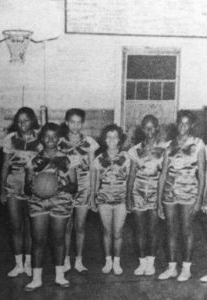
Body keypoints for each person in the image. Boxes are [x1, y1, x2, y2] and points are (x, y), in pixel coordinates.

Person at [24, 123, 77, 291]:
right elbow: (26, 187)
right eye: (46, 136)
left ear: (59, 138)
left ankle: (60, 276)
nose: (50, 140)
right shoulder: (33, 160)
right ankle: (36, 278)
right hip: (38, 203)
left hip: (60, 201)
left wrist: (58, 187)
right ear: (41, 138)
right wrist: (34, 187)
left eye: (54, 137)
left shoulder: (68, 159)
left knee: (59, 240)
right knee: (38, 240)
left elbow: (74, 186)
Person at [158, 110, 205, 282]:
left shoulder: (198, 143)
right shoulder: (168, 145)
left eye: (187, 123)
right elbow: (163, 173)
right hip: (169, 193)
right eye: (180, 123)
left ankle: (186, 268)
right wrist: (158, 201)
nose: (183, 126)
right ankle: (171, 268)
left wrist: (200, 198)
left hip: (189, 193)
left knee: (186, 230)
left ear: (191, 125)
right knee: (171, 231)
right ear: (176, 124)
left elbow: (202, 173)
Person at [0, 107, 42, 277]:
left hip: (33, 187)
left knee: (31, 227)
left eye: (26, 120)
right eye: (19, 120)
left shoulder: (40, 139)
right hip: (13, 186)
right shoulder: (10, 139)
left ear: (32, 120)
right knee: (16, 226)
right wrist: (2, 189)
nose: (22, 123)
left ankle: (29, 262)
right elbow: (4, 166)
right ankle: (18, 264)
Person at [58, 108, 99, 273]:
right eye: (72, 122)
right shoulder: (59, 142)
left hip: (84, 187)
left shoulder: (89, 142)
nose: (75, 125)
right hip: (66, 187)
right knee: (66, 226)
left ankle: (79, 260)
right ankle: (66, 259)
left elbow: (93, 169)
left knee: (80, 226)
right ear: (67, 122)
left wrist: (93, 192)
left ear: (82, 123)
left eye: (78, 122)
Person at [127, 115, 168, 276]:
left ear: (157, 128)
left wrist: (159, 201)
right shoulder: (135, 150)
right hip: (138, 192)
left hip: (155, 192)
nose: (149, 130)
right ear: (142, 129)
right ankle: (141, 262)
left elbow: (164, 174)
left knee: (153, 230)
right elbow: (131, 175)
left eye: (152, 127)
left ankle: (151, 262)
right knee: (139, 230)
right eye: (146, 127)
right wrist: (128, 197)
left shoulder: (165, 149)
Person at [93, 124, 130, 275]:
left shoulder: (126, 157)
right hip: (104, 200)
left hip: (121, 200)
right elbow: (95, 181)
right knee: (107, 231)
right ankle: (108, 261)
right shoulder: (99, 158)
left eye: (115, 136)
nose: (112, 140)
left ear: (120, 139)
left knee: (118, 232)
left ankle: (117, 262)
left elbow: (129, 180)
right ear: (104, 139)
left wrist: (129, 200)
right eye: (108, 136)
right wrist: (94, 198)